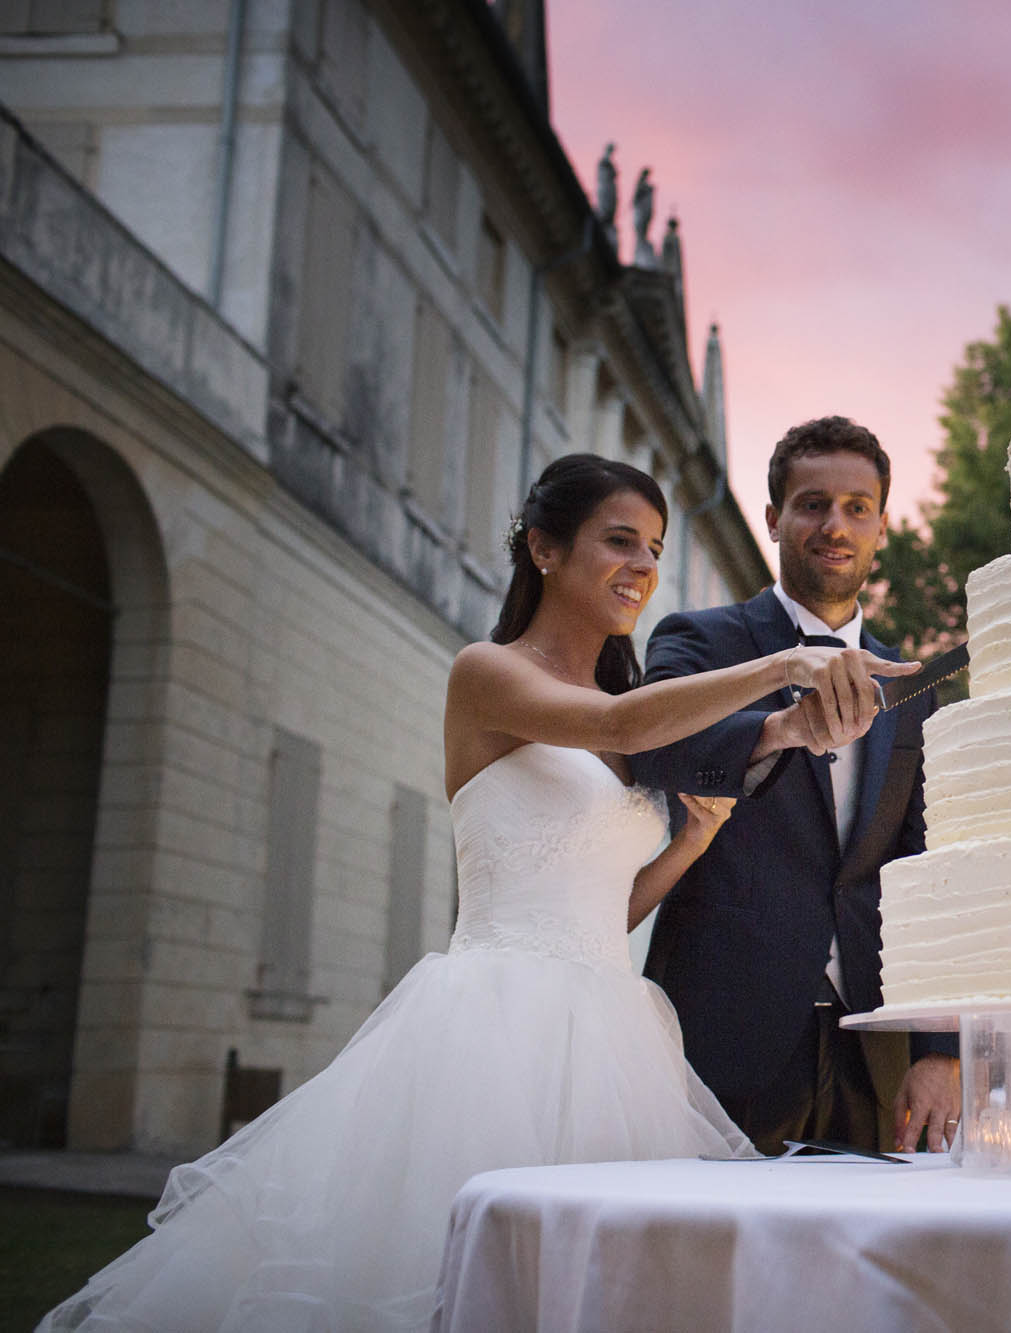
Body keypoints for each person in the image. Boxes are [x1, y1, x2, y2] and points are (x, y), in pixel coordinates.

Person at [39, 454, 916, 1332]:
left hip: (612, 1031)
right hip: (494, 1025)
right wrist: (783, 667)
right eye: (619, 541)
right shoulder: (487, 674)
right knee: (459, 1285)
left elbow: (605, 911)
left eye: (653, 547)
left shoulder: (618, 702)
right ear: (542, 547)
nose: (644, 567)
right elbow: (619, 724)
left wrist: (691, 840)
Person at [635, 416, 960, 1155]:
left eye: (857, 508)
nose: (834, 525)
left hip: (870, 1047)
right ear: (774, 518)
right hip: (716, 1035)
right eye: (812, 503)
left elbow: (928, 871)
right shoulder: (697, 640)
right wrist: (776, 726)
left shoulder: (915, 683)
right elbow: (655, 754)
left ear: (882, 527)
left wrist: (941, 1046)